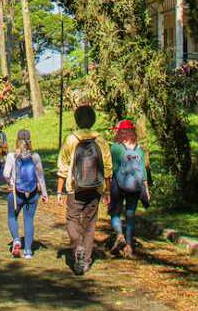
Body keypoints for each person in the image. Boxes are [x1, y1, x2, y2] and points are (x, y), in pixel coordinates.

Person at [56, 104, 112, 276]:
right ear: (93, 120)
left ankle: (76, 244)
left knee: (72, 218)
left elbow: (63, 167)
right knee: (90, 223)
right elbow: (108, 168)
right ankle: (86, 260)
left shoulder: (71, 139)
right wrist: (107, 191)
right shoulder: (100, 140)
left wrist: (59, 191)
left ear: (77, 120)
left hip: (75, 188)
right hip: (95, 187)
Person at [109, 119, 151, 259]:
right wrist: (146, 188)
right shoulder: (139, 148)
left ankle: (119, 235)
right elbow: (143, 171)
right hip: (135, 186)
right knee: (130, 215)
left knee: (115, 212)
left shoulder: (116, 147)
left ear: (120, 131)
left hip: (118, 185)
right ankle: (129, 247)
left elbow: (113, 168)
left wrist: (106, 188)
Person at [3, 129, 48, 258]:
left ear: (17, 141)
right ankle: (28, 251)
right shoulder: (35, 156)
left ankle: (16, 239)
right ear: (30, 141)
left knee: (12, 216)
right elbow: (40, 176)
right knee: (29, 220)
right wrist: (44, 193)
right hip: (32, 193)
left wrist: (11, 183)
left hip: (16, 193)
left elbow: (6, 174)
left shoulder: (12, 156)